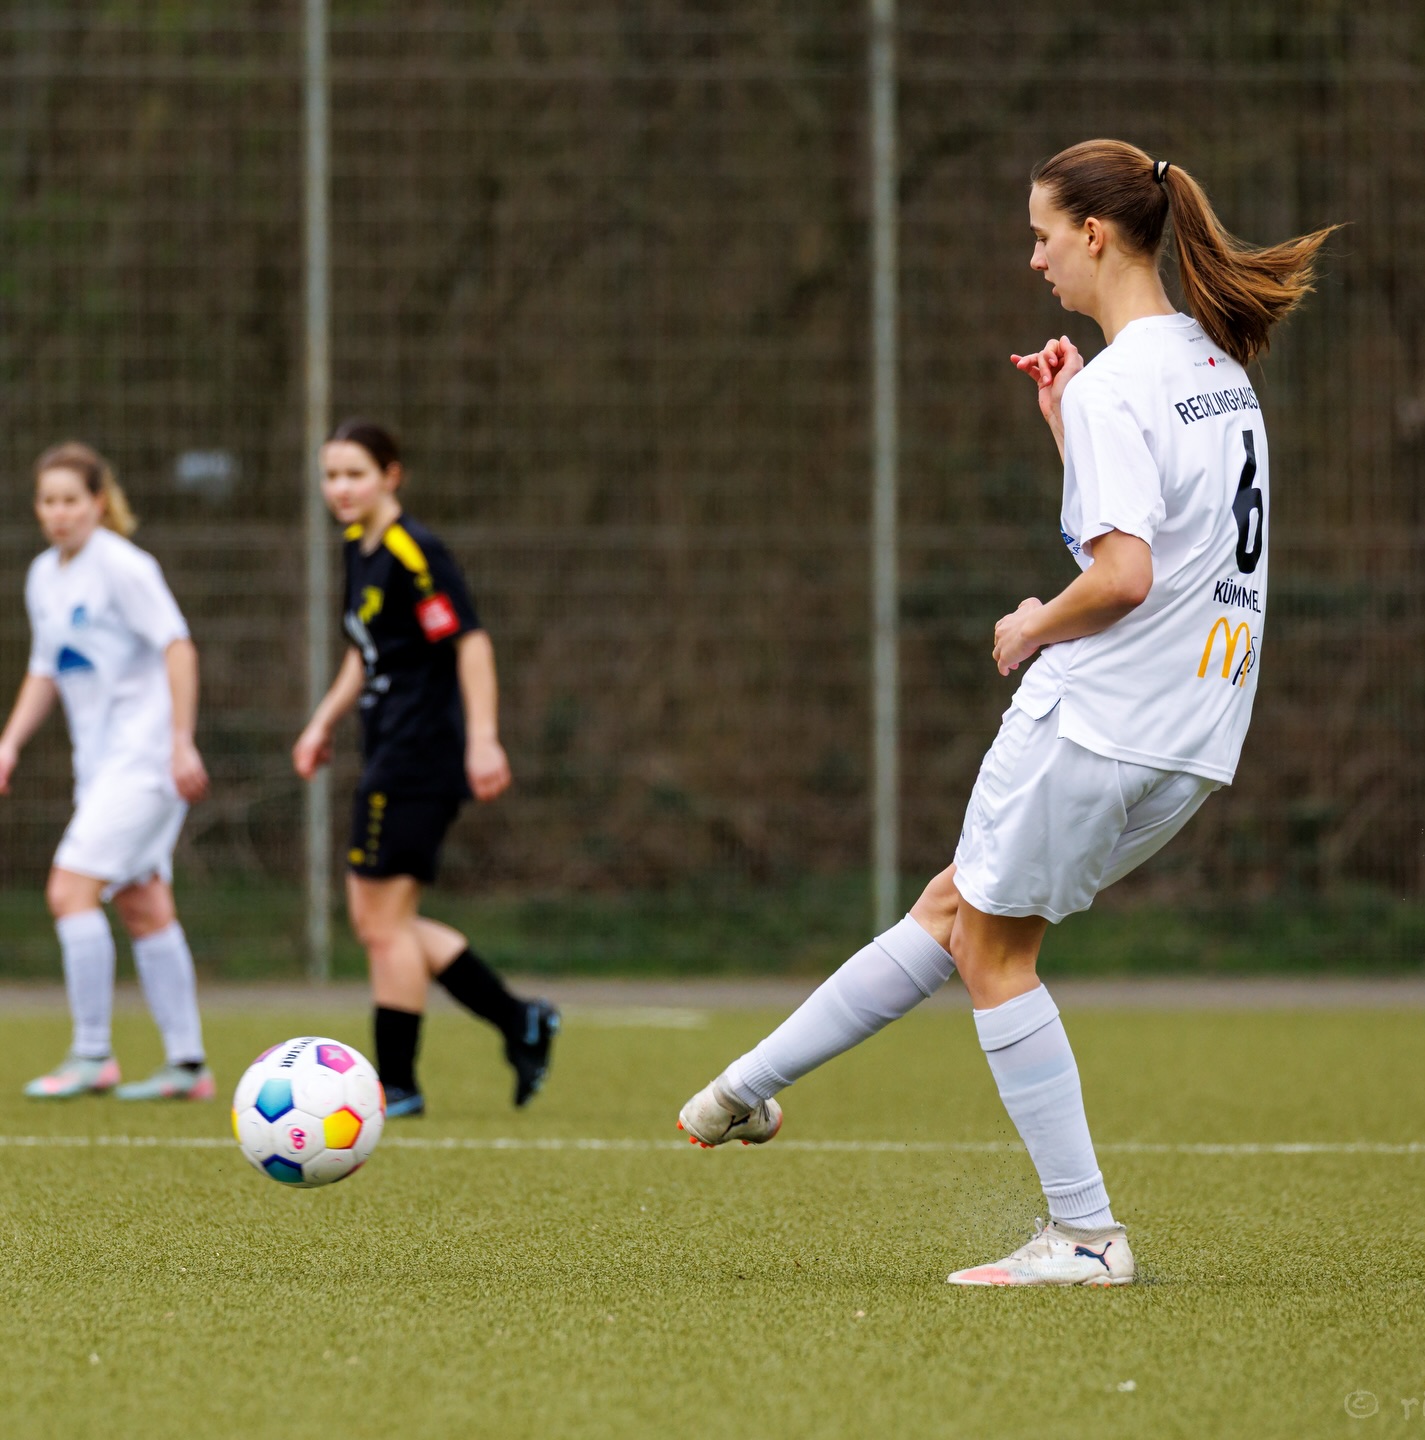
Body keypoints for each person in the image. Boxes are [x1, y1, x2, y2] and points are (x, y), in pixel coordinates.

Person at [677, 140, 1337, 1286]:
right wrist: (1065, 422)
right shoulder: (1207, 367)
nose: (1032, 258)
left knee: (990, 947)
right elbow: (1166, 536)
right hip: (1192, 733)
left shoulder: (1126, 384)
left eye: (1041, 233)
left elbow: (1125, 576)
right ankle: (743, 1090)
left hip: (1100, 716)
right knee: (958, 908)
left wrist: (1033, 623)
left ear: (1094, 234)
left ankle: (1085, 1236)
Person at [293, 419, 558, 1117]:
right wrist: (322, 721)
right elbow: (366, 650)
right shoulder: (359, 548)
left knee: (380, 924)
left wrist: (485, 739)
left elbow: (470, 643)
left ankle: (399, 1085)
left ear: (391, 475)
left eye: (355, 474)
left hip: (420, 753)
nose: (341, 489)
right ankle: (519, 1019)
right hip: (390, 746)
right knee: (388, 920)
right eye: (331, 475)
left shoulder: (417, 552)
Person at [0, 442, 212, 1100]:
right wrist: (8, 743)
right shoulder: (44, 576)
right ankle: (187, 1065)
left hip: (146, 760)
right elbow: (45, 670)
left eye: (71, 500)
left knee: (69, 891)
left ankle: (93, 1053)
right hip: (100, 767)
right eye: (48, 501)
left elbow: (178, 646)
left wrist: (182, 741)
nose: (59, 513)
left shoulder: (124, 566)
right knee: (142, 902)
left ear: (97, 502)